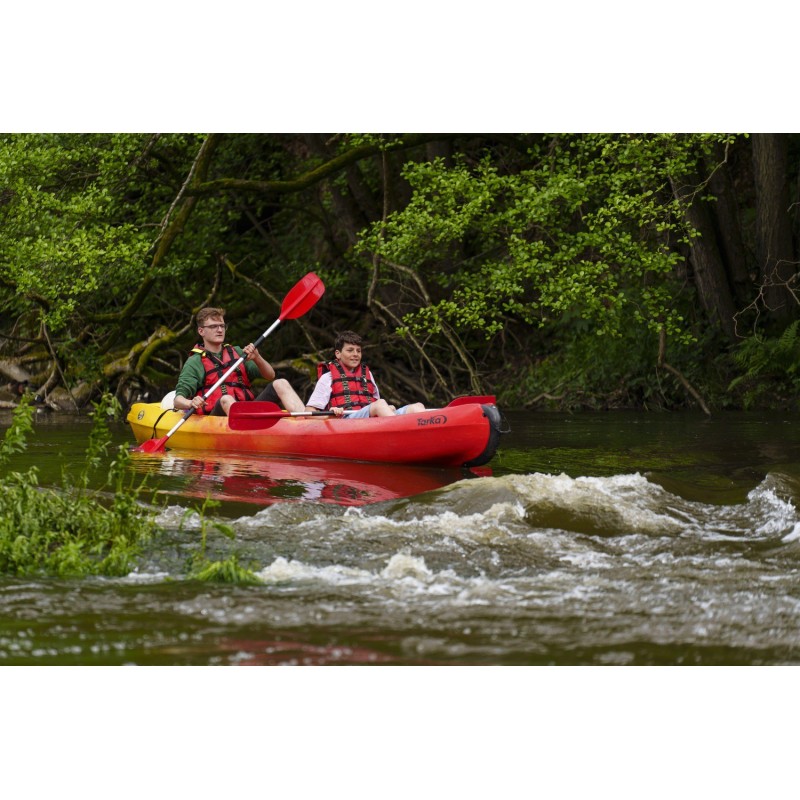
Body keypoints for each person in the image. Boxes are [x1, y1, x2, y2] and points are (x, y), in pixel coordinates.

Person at [173, 307, 305, 416]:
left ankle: (305, 423)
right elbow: (178, 400)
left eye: (222, 326)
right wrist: (190, 403)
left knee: (280, 383)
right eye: (213, 326)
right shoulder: (195, 361)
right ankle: (245, 430)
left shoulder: (237, 352)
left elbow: (270, 375)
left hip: (248, 411)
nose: (219, 330)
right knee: (226, 399)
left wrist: (257, 358)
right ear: (201, 331)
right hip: (218, 416)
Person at [305, 330, 425, 419]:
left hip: (370, 420)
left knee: (417, 407)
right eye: (350, 350)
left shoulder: (367, 374)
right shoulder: (328, 377)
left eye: (358, 350)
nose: (356, 354)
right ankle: (402, 432)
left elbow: (376, 404)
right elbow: (308, 412)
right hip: (347, 421)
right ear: (338, 354)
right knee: (380, 404)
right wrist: (330, 415)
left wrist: (388, 409)